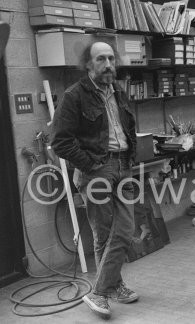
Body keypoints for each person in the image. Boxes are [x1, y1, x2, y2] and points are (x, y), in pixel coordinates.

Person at [51, 41, 139, 319]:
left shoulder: (120, 91)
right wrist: (90, 166)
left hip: (123, 166)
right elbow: (60, 142)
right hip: (97, 170)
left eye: (112, 58)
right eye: (101, 59)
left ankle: (102, 290)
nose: (109, 64)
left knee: (123, 230)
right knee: (104, 234)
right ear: (88, 64)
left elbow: (128, 128)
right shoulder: (74, 95)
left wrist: (132, 158)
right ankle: (110, 288)